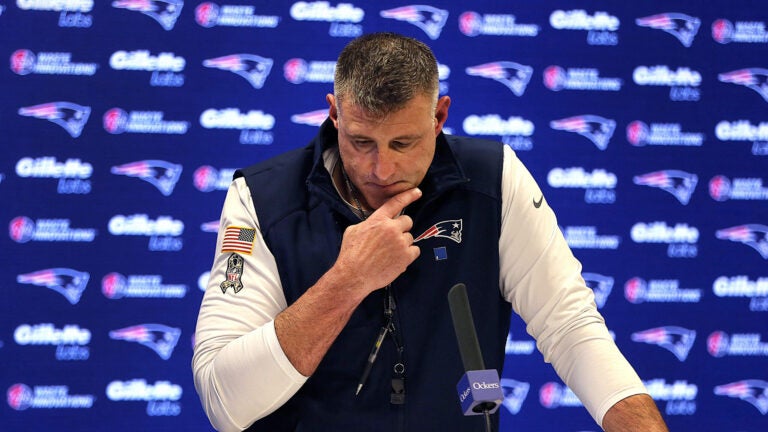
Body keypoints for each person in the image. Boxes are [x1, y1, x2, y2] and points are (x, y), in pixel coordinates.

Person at [192, 32, 669, 432]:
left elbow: (569, 325)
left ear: (439, 116)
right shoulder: (262, 198)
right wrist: (347, 281)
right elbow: (224, 402)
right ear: (334, 114)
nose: (382, 168)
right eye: (361, 142)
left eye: (404, 142)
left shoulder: (494, 180)